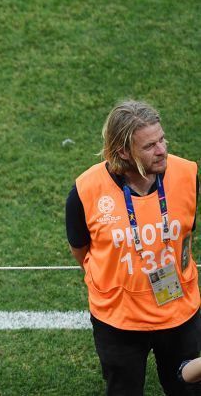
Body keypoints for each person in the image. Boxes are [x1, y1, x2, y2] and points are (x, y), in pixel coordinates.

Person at [66, 100, 201, 396]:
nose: (162, 150)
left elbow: (186, 232)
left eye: (162, 139)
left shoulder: (187, 174)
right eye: (150, 145)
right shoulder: (86, 190)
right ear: (123, 151)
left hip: (179, 312)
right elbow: (81, 250)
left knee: (188, 389)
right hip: (119, 320)